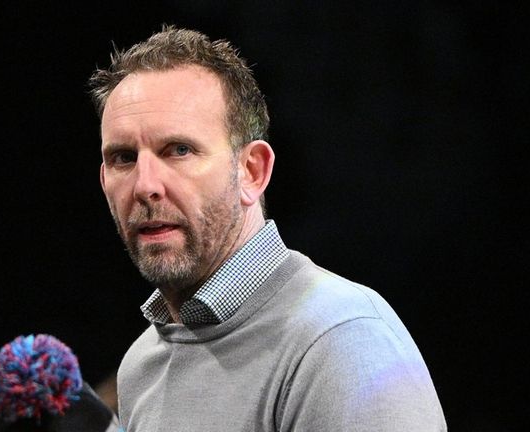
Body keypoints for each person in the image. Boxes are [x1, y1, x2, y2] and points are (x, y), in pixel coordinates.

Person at [88, 25, 446, 431]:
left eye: (179, 150)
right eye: (123, 157)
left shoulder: (343, 341)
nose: (146, 185)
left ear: (251, 171)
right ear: (103, 181)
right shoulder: (141, 365)